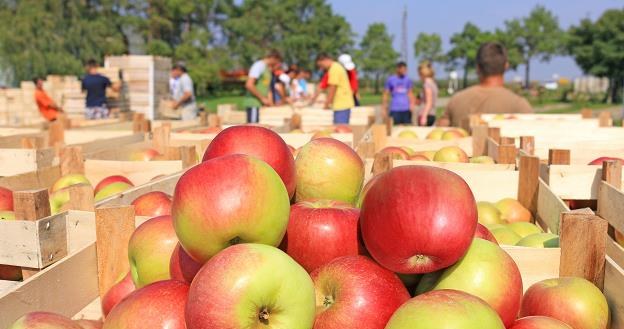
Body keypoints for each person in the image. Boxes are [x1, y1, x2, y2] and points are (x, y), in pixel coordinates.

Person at [439, 42, 533, 127]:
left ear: (477, 67)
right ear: (506, 66)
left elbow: (439, 132)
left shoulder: (456, 101)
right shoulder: (519, 105)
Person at [314, 53, 354, 124]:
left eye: (321, 65)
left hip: (341, 105)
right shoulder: (335, 67)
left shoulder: (334, 69)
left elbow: (332, 88)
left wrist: (327, 104)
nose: (321, 68)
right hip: (341, 104)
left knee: (340, 131)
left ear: (325, 60)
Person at [244, 50, 283, 122]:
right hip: (254, 103)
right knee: (253, 129)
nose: (277, 64)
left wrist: (271, 105)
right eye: (277, 61)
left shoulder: (267, 70)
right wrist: (262, 98)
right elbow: (249, 85)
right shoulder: (259, 65)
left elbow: (268, 90)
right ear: (273, 58)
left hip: (260, 104)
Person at [417, 61, 439, 126]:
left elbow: (429, 102)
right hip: (432, 113)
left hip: (426, 114)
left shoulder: (427, 84)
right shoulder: (433, 83)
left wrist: (424, 116)